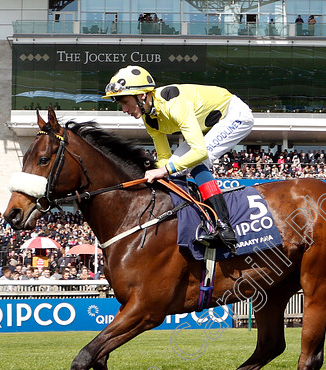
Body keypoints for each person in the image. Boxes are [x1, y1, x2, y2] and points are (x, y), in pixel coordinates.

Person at [103, 65, 254, 253]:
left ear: (142, 95)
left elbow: (199, 152)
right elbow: (165, 158)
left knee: (196, 161)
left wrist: (163, 170)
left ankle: (223, 226)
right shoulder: (149, 119)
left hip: (234, 115)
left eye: (125, 102)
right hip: (209, 124)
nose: (124, 109)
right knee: (176, 168)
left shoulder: (173, 104)